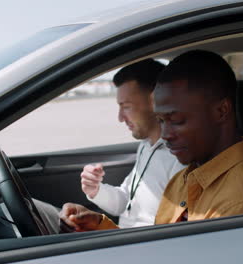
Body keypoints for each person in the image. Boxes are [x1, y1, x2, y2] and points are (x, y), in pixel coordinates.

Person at [60, 50, 243, 232]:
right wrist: (100, 226)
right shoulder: (185, 178)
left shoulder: (242, 206)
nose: (165, 134)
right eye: (160, 120)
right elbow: (163, 246)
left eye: (175, 119)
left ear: (221, 111)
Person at [79, 59, 184, 228]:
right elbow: (125, 202)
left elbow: (170, 231)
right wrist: (96, 190)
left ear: (155, 100)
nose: (120, 118)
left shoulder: (179, 158)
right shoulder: (147, 146)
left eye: (126, 107)